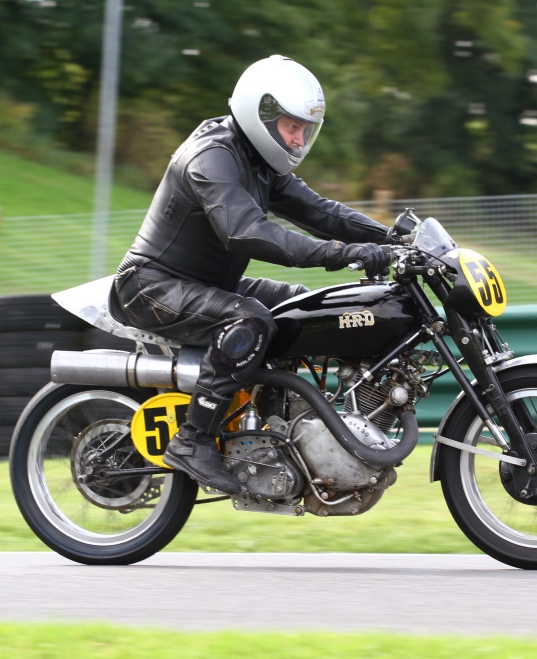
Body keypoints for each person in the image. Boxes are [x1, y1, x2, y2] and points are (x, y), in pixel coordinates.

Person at [112, 55, 393, 494]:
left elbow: (321, 212)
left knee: (306, 307)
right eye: (291, 126)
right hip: (151, 286)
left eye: (305, 129)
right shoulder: (212, 157)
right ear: (260, 113)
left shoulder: (261, 162)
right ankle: (193, 440)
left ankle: (275, 426)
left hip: (207, 285)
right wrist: (345, 254)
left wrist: (392, 239)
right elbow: (246, 233)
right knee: (251, 319)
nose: (299, 139)